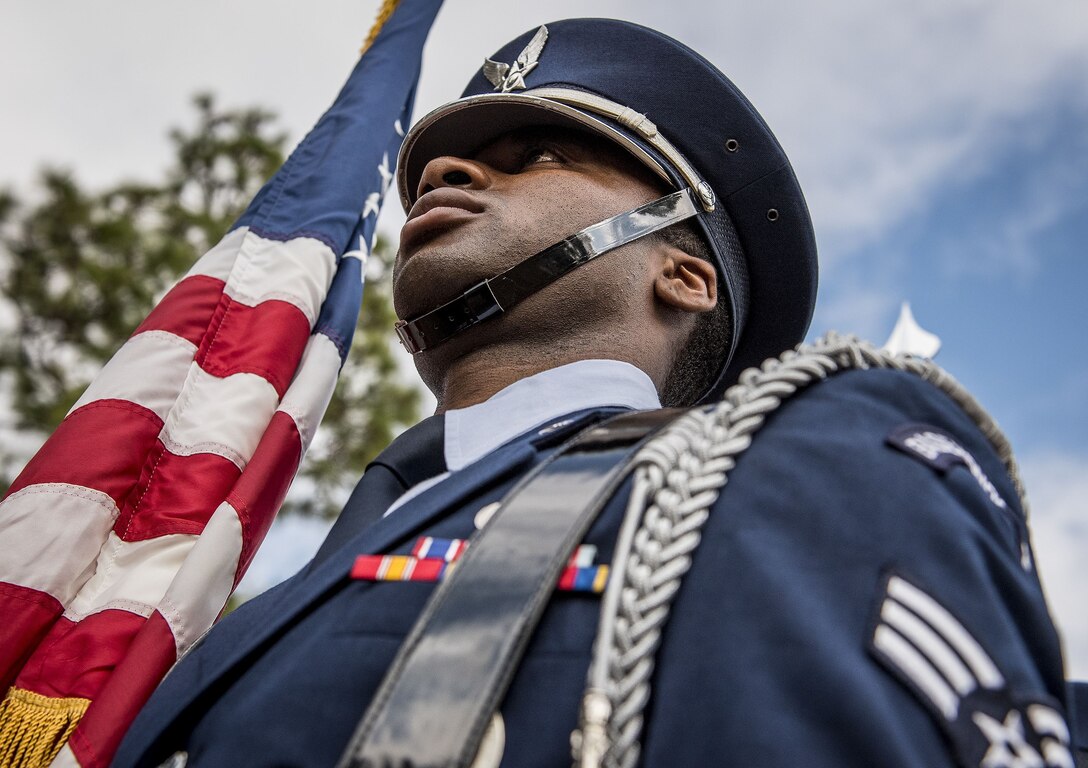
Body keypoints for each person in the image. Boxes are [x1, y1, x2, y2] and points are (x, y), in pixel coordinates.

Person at [114, 18, 1081, 768]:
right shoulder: (257, 595)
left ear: (685, 277)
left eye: (540, 158)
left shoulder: (822, 457)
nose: (445, 169)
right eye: (453, 165)